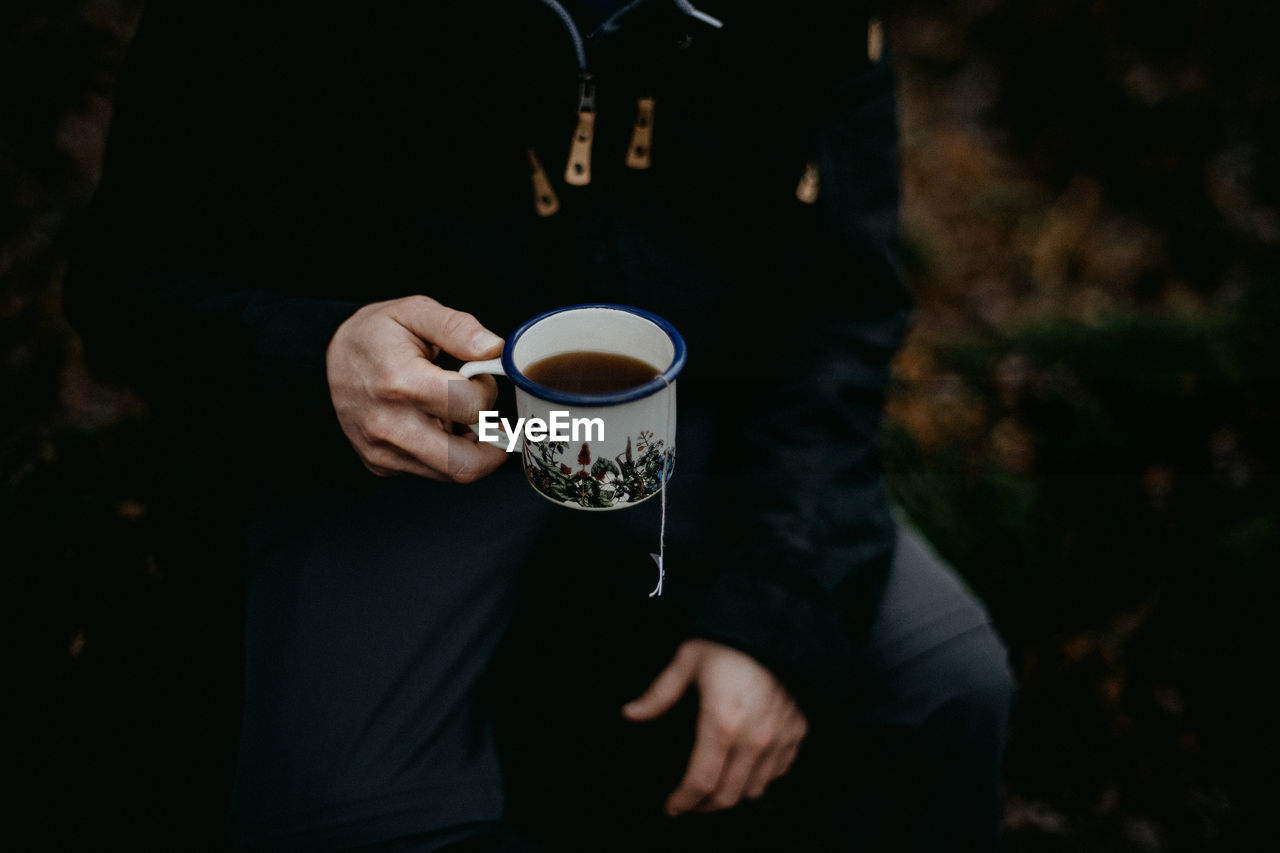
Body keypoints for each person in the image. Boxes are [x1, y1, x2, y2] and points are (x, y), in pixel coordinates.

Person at [66, 1, 1014, 850]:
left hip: (701, 419)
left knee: (944, 683)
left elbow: (840, 308)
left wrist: (783, 608)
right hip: (395, 451)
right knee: (349, 816)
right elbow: (125, 283)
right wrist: (316, 355)